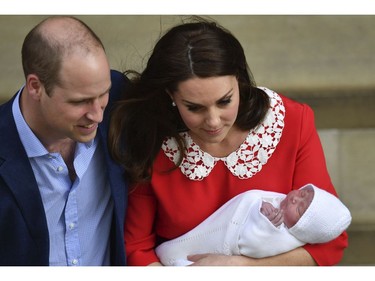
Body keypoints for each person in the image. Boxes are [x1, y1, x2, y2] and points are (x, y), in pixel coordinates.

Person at [109, 18, 349, 266]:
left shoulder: (292, 123)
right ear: (171, 95)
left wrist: (245, 267)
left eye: (224, 101)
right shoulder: (153, 136)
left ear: (239, 80)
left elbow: (330, 243)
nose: (213, 121)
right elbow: (137, 247)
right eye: (194, 107)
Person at [0, 16, 129, 265]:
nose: (98, 115)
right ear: (35, 86)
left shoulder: (120, 103)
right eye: (79, 101)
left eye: (103, 93)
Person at [155, 183, 352, 266]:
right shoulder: (281, 203)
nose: (294, 200)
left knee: (184, 258)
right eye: (302, 194)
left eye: (300, 209)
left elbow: (254, 244)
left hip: (219, 246)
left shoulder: (284, 237)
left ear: (302, 229)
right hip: (201, 230)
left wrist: (265, 223)